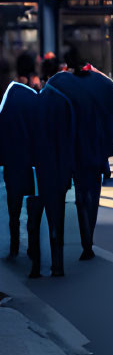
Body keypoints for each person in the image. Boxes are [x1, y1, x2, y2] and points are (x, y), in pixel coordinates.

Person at [46, 47, 113, 260]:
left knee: (81, 195)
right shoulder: (103, 83)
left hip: (72, 148)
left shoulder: (57, 83)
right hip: (97, 147)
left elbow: (47, 112)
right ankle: (88, 240)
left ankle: (85, 240)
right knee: (92, 194)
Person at [25, 76, 73, 278]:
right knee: (56, 221)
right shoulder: (64, 105)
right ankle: (57, 265)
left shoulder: (31, 105)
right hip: (55, 175)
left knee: (33, 224)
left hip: (35, 176)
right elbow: (67, 144)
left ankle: (35, 266)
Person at [0, 57, 36, 258]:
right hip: (29, 163)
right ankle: (29, 246)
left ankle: (16, 246)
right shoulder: (30, 96)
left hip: (17, 163)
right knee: (28, 206)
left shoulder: (13, 99)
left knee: (15, 208)